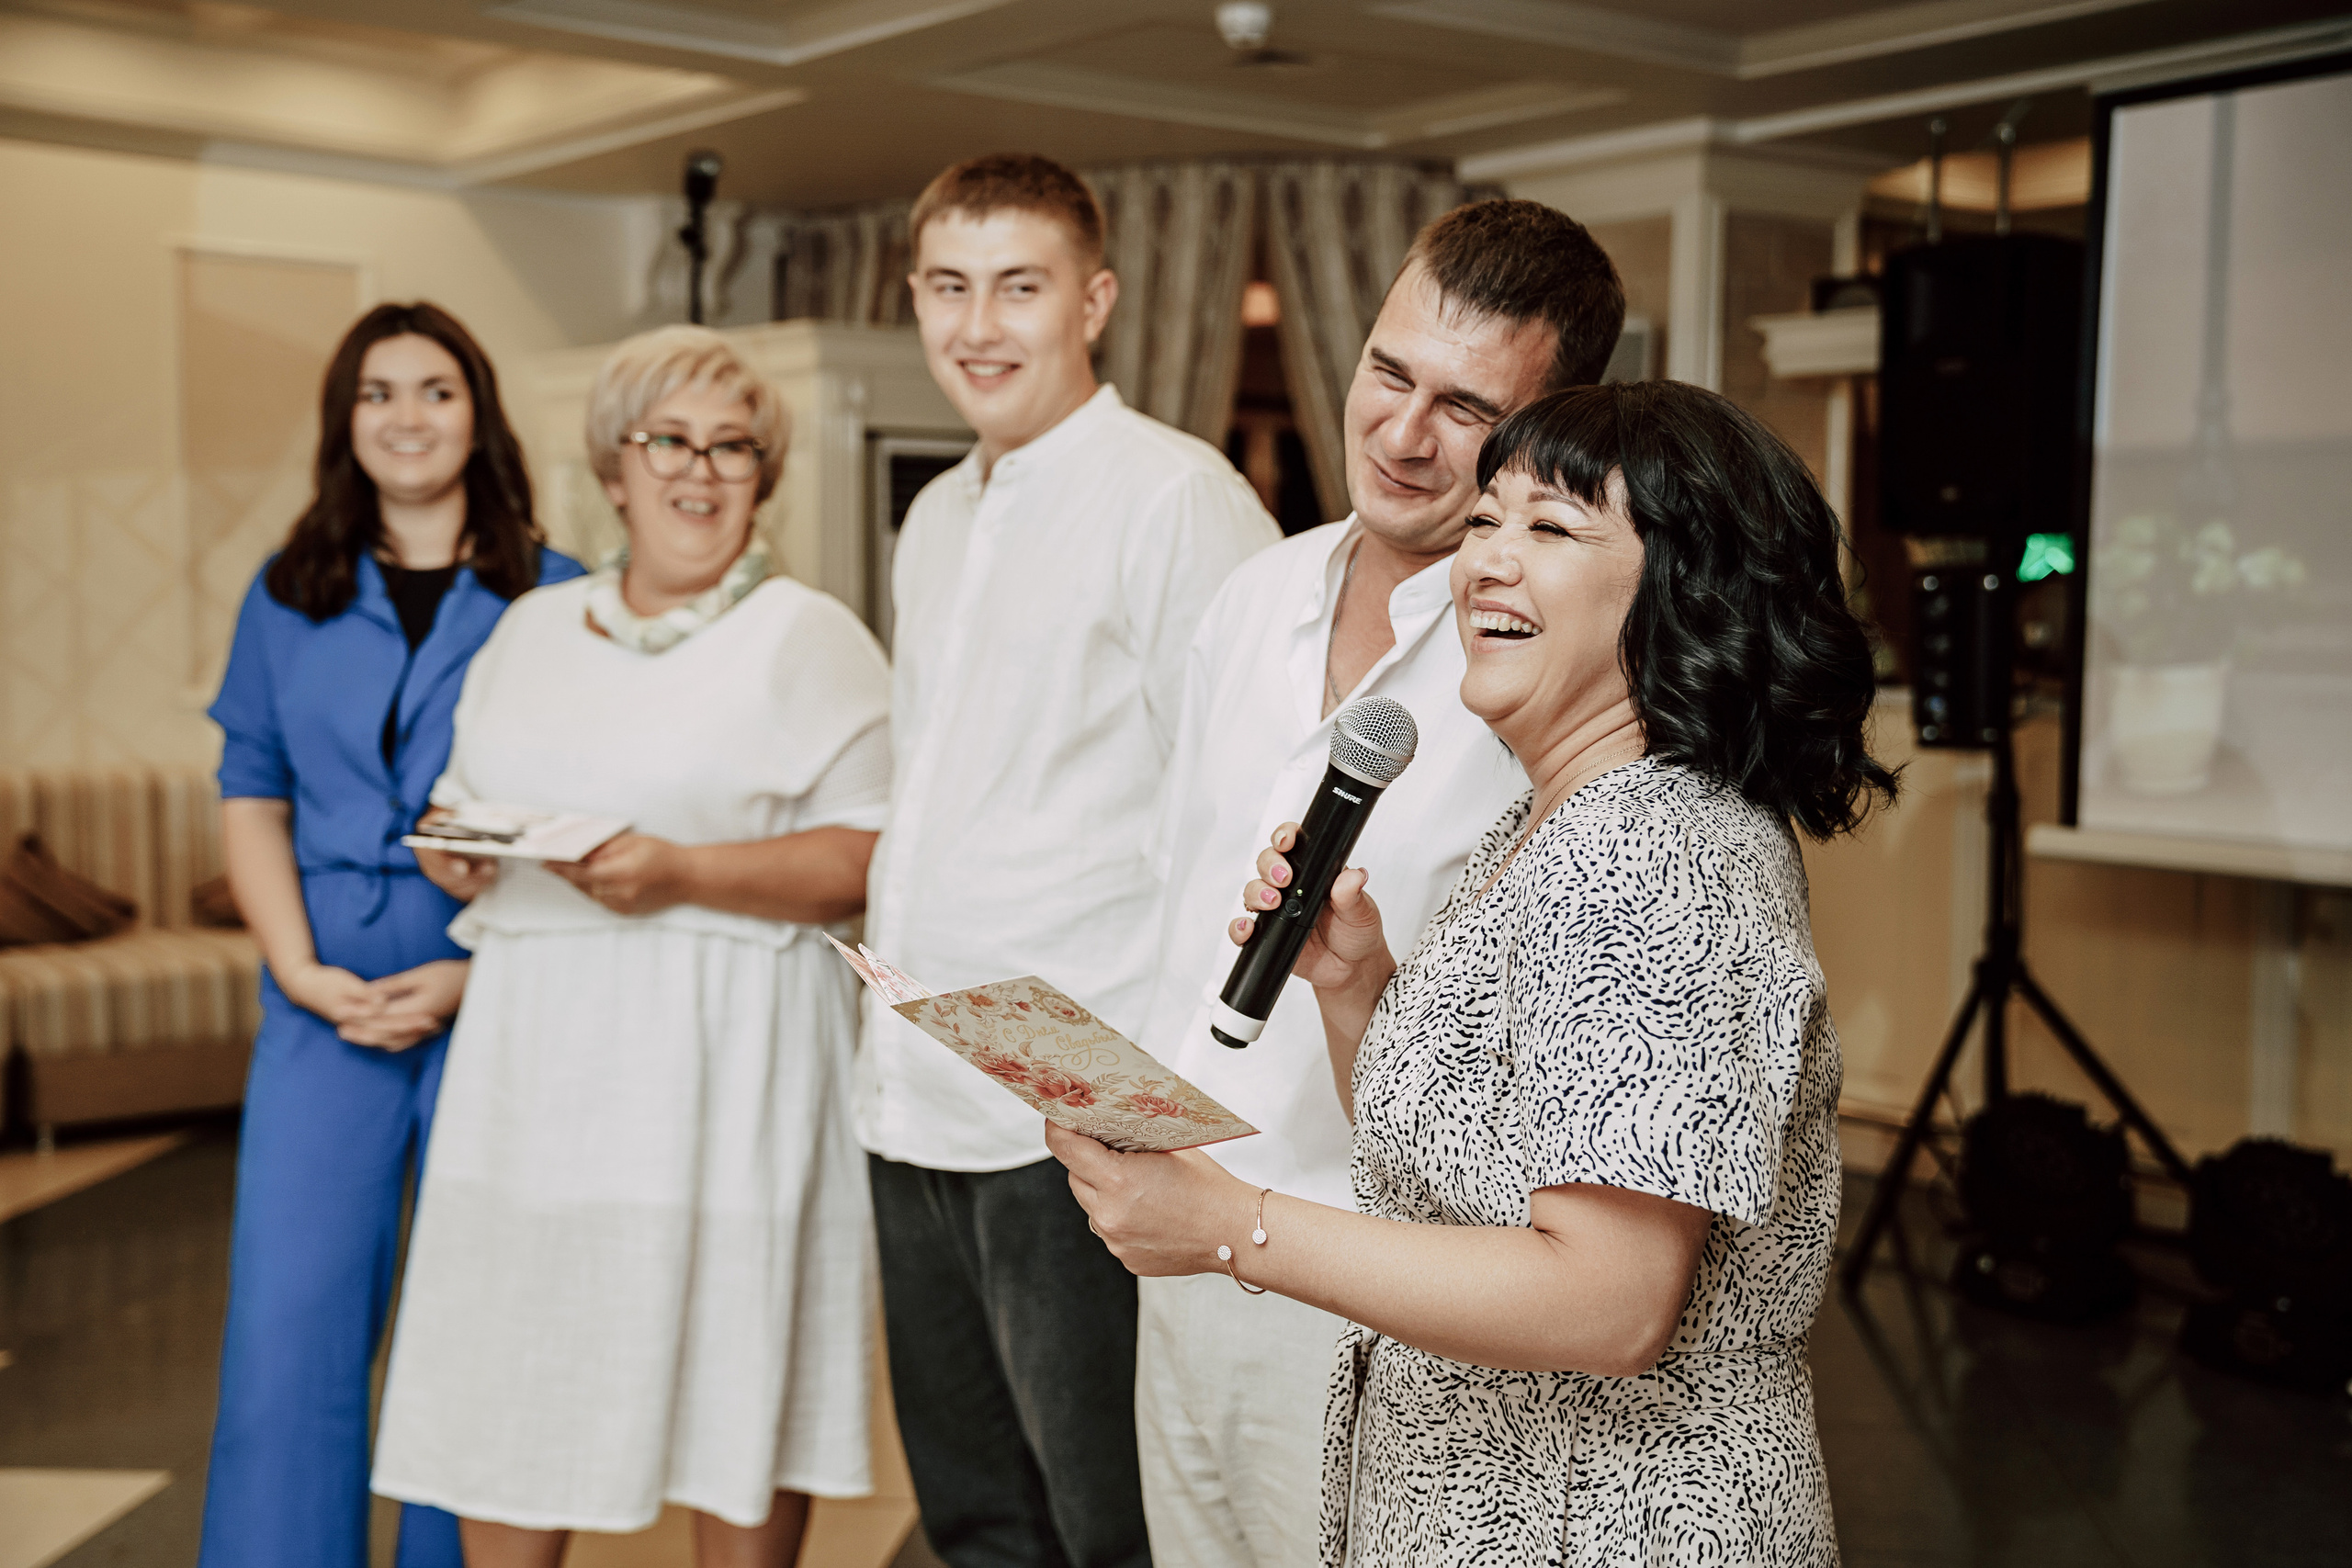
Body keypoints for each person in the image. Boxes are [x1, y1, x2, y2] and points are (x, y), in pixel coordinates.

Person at [1055, 380, 1897, 1566]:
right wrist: (1358, 990)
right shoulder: (1545, 824)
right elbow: (1467, 1177)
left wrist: (1234, 1225)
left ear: (1685, 587)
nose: (1486, 560)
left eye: (1550, 527)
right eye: (1487, 519)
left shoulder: (1655, 851)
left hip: (1609, 1523)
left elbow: (1609, 1303)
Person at [1132, 197, 1623, 1568]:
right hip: (1176, 1247)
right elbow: (1174, 900)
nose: (1402, 435)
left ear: (1550, 432)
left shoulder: (1558, 668)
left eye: (1465, 408)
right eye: (1387, 373)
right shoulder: (1252, 598)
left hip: (1388, 1291)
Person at [369, 326, 889, 1568]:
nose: (698, 472)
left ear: (763, 476)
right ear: (614, 467)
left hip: (733, 1057)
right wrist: (455, 851)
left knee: (740, 1362)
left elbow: (874, 857)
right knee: (518, 1358)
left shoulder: (811, 636)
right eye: (669, 442)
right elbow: (460, 801)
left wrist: (683, 872)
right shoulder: (532, 629)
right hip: (536, 1063)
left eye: (732, 447)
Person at [858, 153, 1280, 1568]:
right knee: (976, 1516)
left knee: (1109, 1519)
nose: (978, 326)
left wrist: (1158, 1103)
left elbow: (1242, 813)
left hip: (1074, 1092)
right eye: (949, 287)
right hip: (914, 1071)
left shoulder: (1177, 499)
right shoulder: (936, 514)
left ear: (1092, 301)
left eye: (1018, 288)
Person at [201, 301, 582, 1568]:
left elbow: (591, 814)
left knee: (477, 1323)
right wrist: (299, 970)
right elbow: (251, 789)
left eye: (435, 390)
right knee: (288, 1329)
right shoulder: (286, 592)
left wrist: (473, 972)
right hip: (321, 1003)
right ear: (344, 420)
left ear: (479, 416)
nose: (406, 417)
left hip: (501, 991)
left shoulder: (559, 597)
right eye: (378, 393)